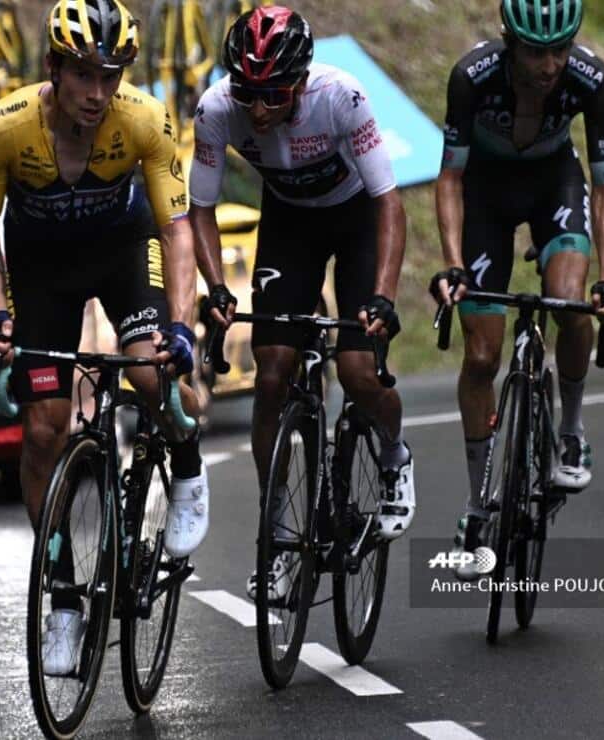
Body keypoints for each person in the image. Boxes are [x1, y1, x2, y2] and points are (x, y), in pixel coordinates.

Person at [0, 0, 210, 674]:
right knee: (44, 431)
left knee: (149, 371)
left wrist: (181, 326)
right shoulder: (3, 128)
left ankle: (186, 458)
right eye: (83, 75)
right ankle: (65, 601)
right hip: (43, 271)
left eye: (110, 76)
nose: (98, 93)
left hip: (123, 254)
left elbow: (176, 229)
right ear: (53, 68)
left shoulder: (145, 118)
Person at [188, 6, 415, 599]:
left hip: (356, 221)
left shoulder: (341, 98)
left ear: (302, 80)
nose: (259, 109)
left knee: (359, 371)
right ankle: (276, 535)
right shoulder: (216, 110)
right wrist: (217, 287)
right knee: (271, 375)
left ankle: (394, 453)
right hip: (289, 225)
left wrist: (383, 297)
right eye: (248, 92)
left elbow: (389, 203)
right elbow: (200, 209)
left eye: (274, 94)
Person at [430, 0, 604, 579]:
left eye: (560, 50)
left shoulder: (594, 81)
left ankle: (570, 431)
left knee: (570, 301)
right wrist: (452, 264)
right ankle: (477, 506)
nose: (550, 65)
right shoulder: (471, 77)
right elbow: (450, 178)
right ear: (509, 42)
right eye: (537, 52)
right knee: (481, 356)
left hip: (553, 184)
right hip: (485, 194)